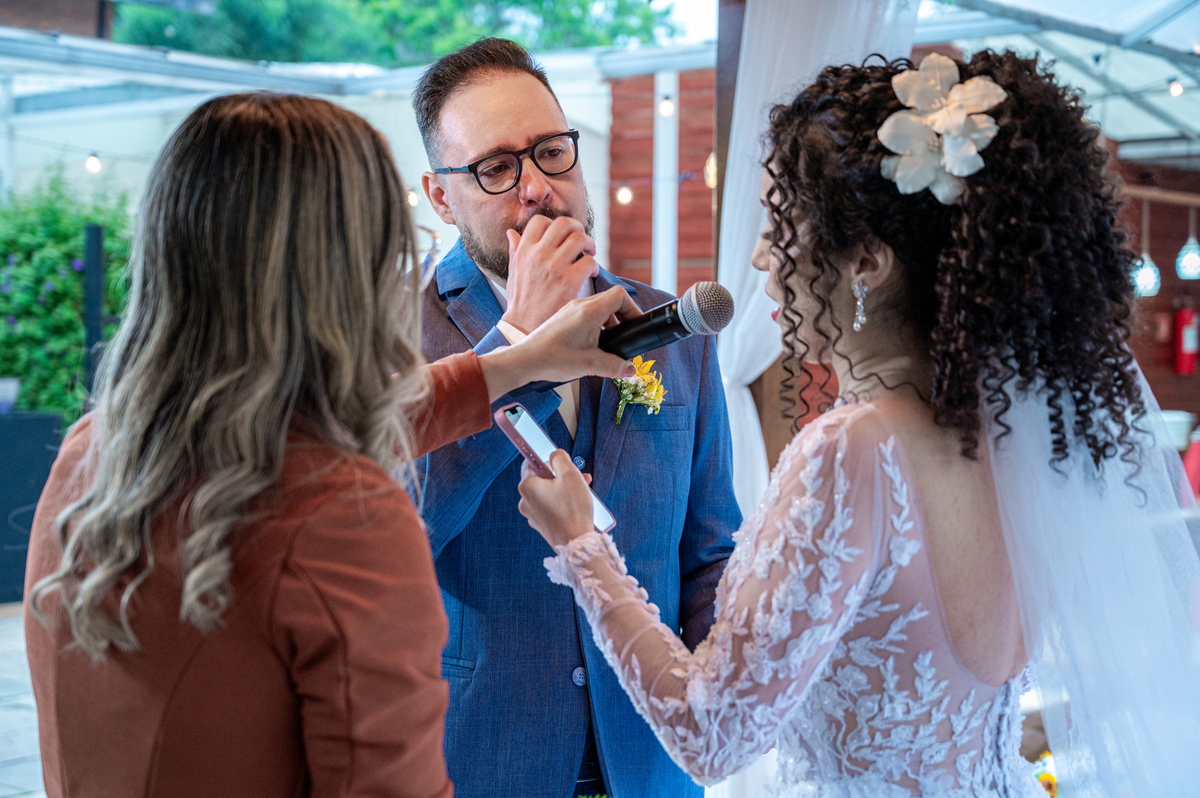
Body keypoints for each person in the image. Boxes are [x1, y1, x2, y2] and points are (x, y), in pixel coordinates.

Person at [517, 51, 1200, 795]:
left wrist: (582, 545)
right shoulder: (1011, 435)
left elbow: (711, 734)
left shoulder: (854, 451)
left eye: (781, 227)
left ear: (867, 263)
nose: (760, 257)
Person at [23, 92, 641, 798]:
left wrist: (518, 356)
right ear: (348, 274)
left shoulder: (92, 450)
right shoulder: (343, 514)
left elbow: (335, 424)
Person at [412, 38, 740, 798]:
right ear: (440, 197)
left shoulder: (671, 326)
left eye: (552, 152)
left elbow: (709, 549)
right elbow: (393, 530)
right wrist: (517, 343)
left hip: (651, 765)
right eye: (497, 168)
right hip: (480, 760)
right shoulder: (388, 334)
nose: (537, 187)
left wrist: (722, 684)